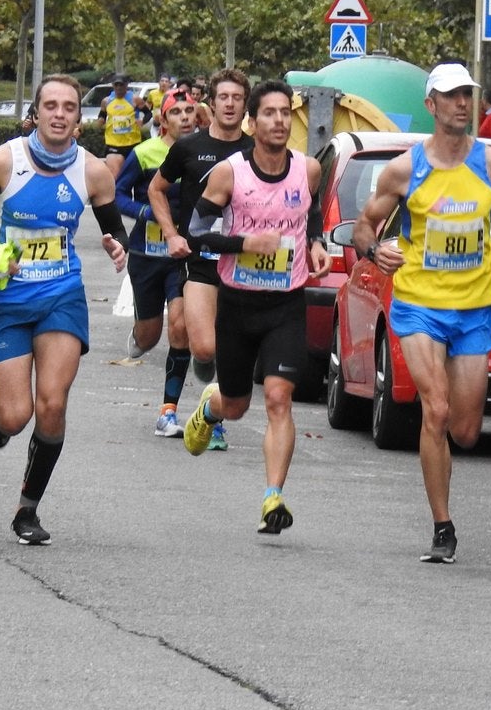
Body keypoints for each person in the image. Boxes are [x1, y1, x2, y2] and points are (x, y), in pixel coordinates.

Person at [351, 62, 491, 563]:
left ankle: (444, 501)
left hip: (474, 306)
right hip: (419, 304)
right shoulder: (404, 169)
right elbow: (364, 227)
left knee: (465, 429)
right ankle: (442, 527)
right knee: (434, 410)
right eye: (451, 95)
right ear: (431, 105)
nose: (462, 103)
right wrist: (376, 252)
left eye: (468, 94)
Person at [0, 73, 129, 546]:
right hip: (6, 299)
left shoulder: (92, 171)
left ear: (79, 121)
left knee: (53, 402)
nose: (60, 114)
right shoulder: (4, 161)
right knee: (15, 415)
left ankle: (27, 509)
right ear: (37, 114)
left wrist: (117, 245)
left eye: (69, 107)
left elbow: (112, 224)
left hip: (61, 295)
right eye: (51, 106)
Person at [180, 79, 331, 535]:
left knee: (280, 398)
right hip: (238, 305)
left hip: (286, 303)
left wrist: (317, 243)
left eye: (286, 112)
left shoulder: (307, 169)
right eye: (270, 113)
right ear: (253, 120)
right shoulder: (230, 173)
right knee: (237, 406)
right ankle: (211, 407)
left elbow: (311, 214)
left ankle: (272, 498)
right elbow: (196, 231)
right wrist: (244, 242)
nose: (280, 120)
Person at [149, 68, 253, 451]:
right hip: (197, 256)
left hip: (241, 262)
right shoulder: (189, 147)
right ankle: (171, 407)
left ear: (246, 105)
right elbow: (156, 189)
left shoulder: (256, 152)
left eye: (237, 98)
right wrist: (173, 234)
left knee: (229, 343)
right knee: (200, 344)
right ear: (212, 101)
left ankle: (214, 416)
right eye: (223, 97)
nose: (229, 104)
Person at [115, 90, 200, 437]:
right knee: (150, 337)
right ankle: (139, 332)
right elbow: (116, 194)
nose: (184, 117)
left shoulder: (202, 153)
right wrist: (144, 211)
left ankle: (168, 411)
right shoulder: (143, 154)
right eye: (176, 112)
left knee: (179, 326)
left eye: (189, 111)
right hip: (147, 254)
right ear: (163, 120)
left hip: (183, 255)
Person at [98, 74, 148, 178]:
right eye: (116, 85)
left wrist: (142, 121)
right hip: (113, 143)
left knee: (132, 177)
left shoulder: (135, 100)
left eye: (121, 85)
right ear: (113, 85)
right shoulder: (106, 101)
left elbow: (148, 113)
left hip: (132, 142)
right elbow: (102, 114)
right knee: (115, 176)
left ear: (126, 85)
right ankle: (116, 193)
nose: (119, 88)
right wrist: (100, 120)